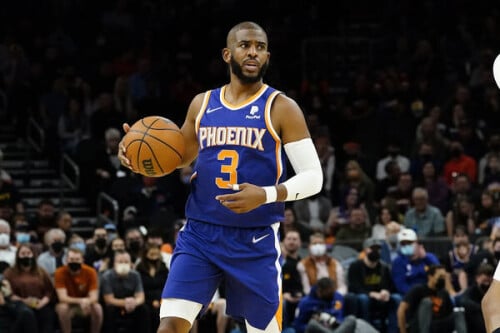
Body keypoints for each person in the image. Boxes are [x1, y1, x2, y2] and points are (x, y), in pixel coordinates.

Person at [118, 21, 323, 333]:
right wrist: (138, 157)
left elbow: (314, 177)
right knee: (170, 325)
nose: (253, 52)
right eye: (245, 45)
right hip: (201, 233)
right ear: (228, 54)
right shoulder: (203, 104)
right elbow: (178, 158)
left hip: (254, 239)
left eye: (260, 47)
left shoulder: (281, 107)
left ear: (267, 56)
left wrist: (266, 194)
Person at [346, 238, 400, 333]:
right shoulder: (356, 266)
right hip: (364, 296)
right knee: (363, 299)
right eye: (372, 248)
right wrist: (371, 294)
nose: (375, 251)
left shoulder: (384, 267)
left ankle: (393, 330)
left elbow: (391, 286)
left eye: (378, 249)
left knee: (396, 298)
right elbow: (354, 287)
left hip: (380, 297)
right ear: (365, 250)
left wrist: (386, 291)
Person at [397, 264, 466, 333]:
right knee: (427, 302)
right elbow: (401, 310)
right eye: (440, 277)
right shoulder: (418, 290)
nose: (443, 279)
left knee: (458, 313)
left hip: (438, 325)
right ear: (430, 277)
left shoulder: (443, 293)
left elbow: (448, 313)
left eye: (444, 277)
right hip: (420, 325)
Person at [3, 244, 56, 333]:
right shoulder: (9, 273)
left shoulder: (41, 271)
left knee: (47, 314)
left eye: (28, 253)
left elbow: (49, 291)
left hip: (40, 302)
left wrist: (42, 302)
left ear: (33, 255)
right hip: (18, 303)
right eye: (23, 253)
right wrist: (25, 301)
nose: (26, 255)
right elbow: (8, 294)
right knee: (27, 313)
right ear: (18, 256)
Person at [54, 247, 103, 333]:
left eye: (77, 259)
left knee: (97, 307)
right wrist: (81, 301)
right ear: (66, 260)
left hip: (85, 305)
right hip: (69, 305)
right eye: (71, 259)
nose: (74, 262)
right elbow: (62, 298)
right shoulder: (59, 272)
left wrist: (86, 302)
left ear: (82, 260)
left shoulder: (91, 272)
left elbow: (94, 297)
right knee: (63, 308)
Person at [100, 249, 149, 333]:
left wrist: (134, 303)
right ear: (114, 264)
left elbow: (141, 297)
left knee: (144, 309)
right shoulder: (106, 276)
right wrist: (125, 303)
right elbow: (108, 299)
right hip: (115, 304)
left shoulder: (135, 275)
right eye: (120, 262)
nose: (123, 264)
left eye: (126, 262)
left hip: (132, 304)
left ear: (131, 264)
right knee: (109, 310)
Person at [461, 263, 493, 333]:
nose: (487, 284)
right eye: (484, 281)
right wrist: (481, 307)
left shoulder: (494, 291)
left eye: (489, 281)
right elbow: (463, 301)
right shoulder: (471, 291)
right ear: (477, 278)